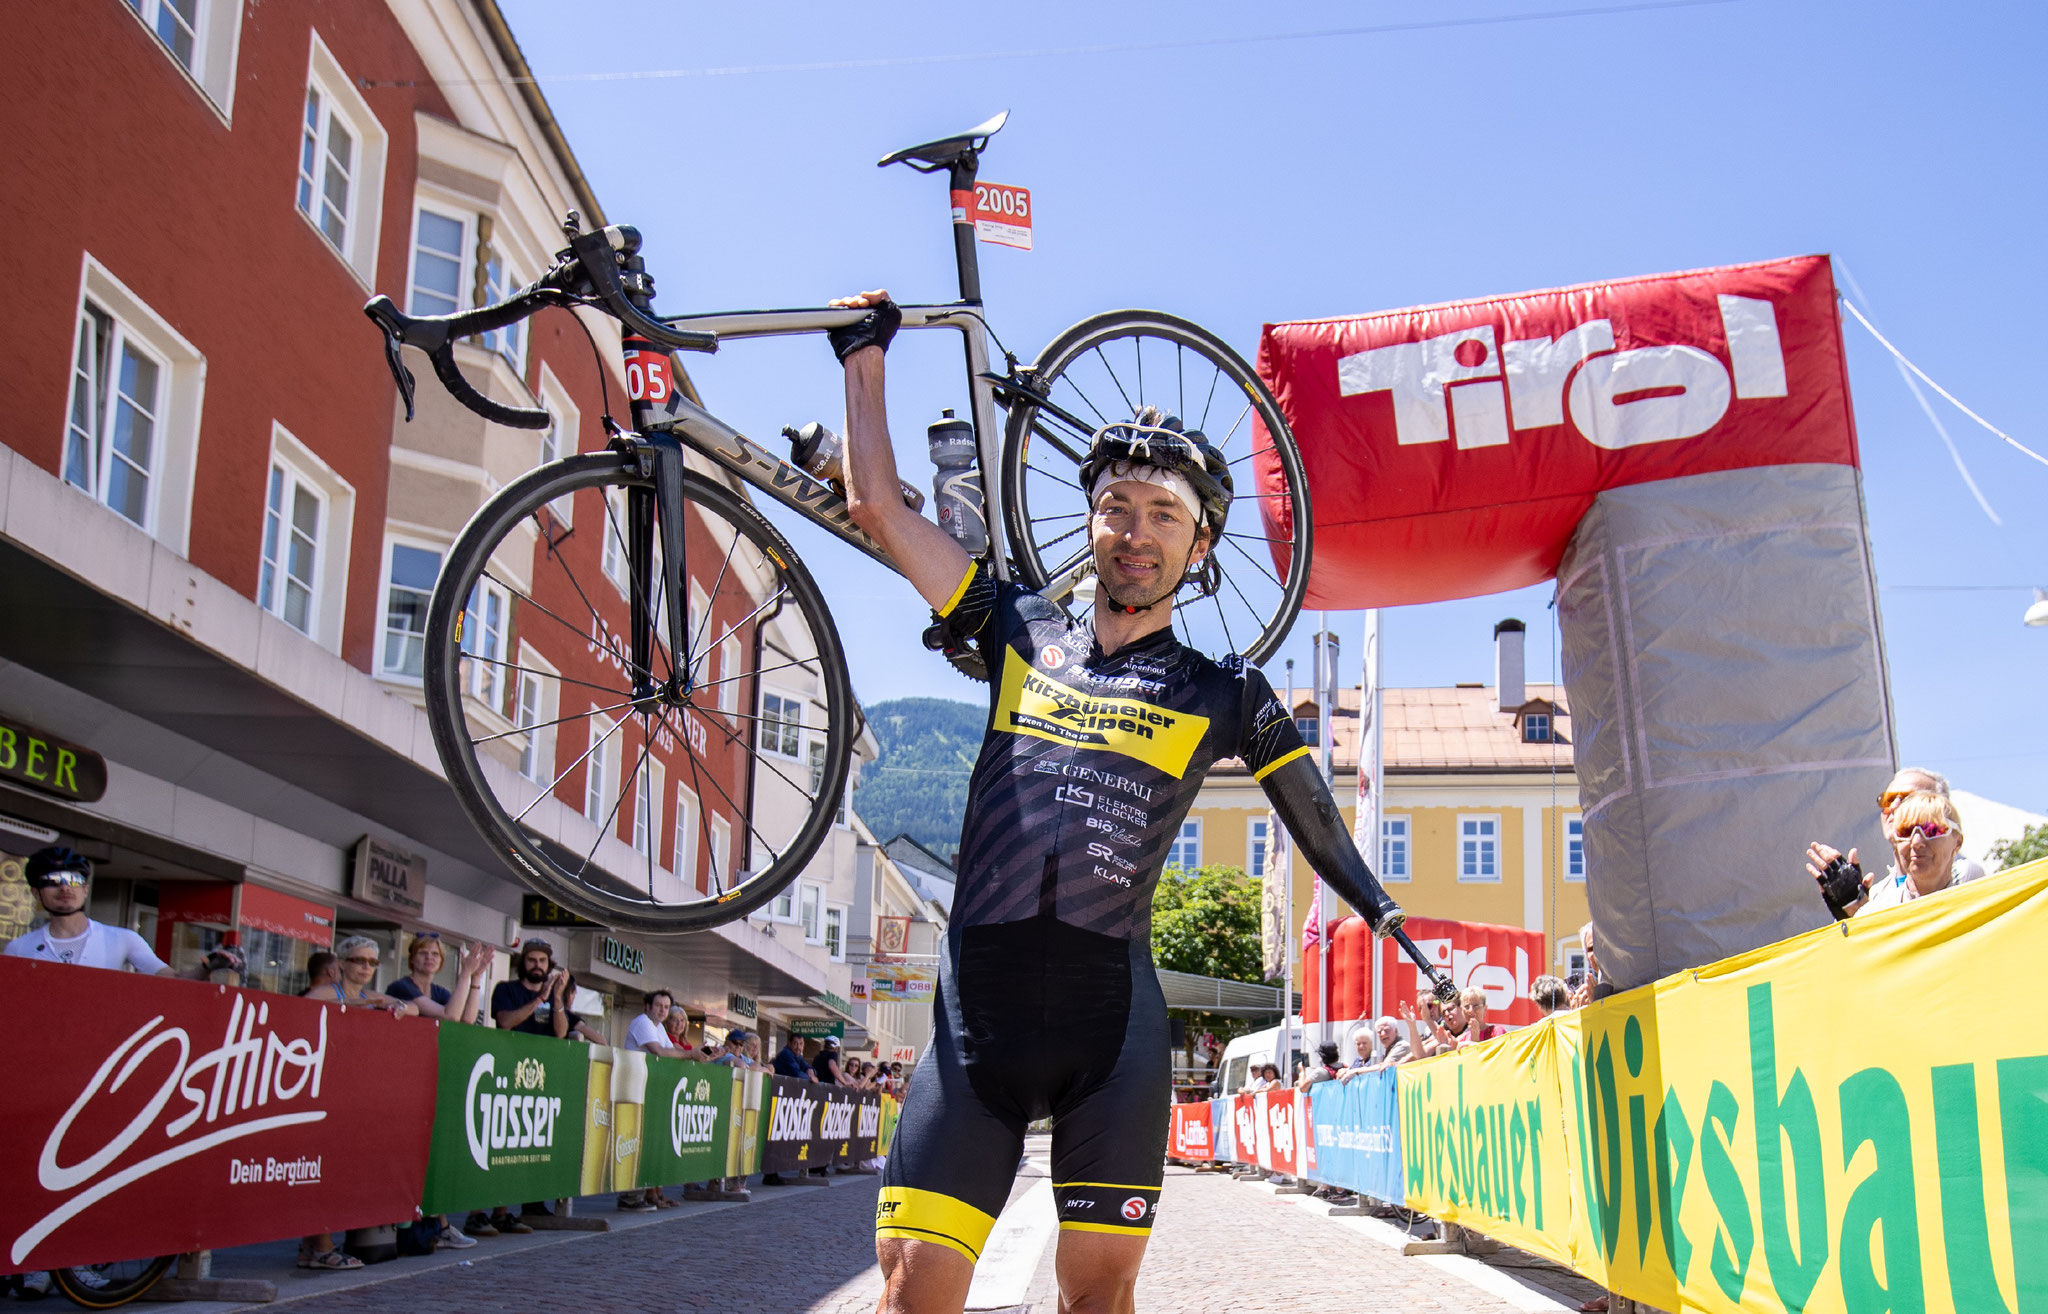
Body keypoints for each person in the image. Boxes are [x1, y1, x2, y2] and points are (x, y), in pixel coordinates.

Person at [827, 293, 1431, 1314]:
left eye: (1164, 518)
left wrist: (1384, 915)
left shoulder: (1221, 689)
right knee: (909, 1292)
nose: (1135, 535)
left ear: (1199, 550)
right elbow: (879, 511)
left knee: (1096, 1302)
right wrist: (862, 358)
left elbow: (1310, 812)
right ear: (1091, 522)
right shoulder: (1014, 623)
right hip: (974, 1025)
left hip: (1112, 1035)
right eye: (1118, 509)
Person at [4, 846, 238, 978]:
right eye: (53, 880)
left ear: (85, 889)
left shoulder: (122, 939)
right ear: (36, 893)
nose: (65, 887)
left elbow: (172, 979)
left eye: (74, 879)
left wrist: (208, 965)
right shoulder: (19, 948)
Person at [1807, 766, 1988, 919]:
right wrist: (1853, 913)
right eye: (1888, 799)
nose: (1894, 807)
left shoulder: (1964, 876)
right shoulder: (1877, 895)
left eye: (1909, 798)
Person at [619, 990, 694, 1212]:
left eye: (666, 1006)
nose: (662, 1010)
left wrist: (701, 1054)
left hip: (651, 1091)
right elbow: (660, 1051)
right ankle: (630, 1197)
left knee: (650, 1146)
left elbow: (673, 1051)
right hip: (633, 1091)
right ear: (648, 1007)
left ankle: (650, 1194)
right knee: (634, 1144)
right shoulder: (642, 1023)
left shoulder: (659, 1027)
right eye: (659, 1006)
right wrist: (692, 1055)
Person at [1858, 791, 1981, 915]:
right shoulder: (1875, 915)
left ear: (1957, 842)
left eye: (1931, 830)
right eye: (1905, 831)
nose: (1916, 842)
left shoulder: (1979, 907)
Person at [385, 934, 493, 1024]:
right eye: (423, 953)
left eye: (435, 954)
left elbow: (467, 1019)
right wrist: (465, 973)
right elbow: (451, 1016)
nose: (429, 957)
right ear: (412, 959)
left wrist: (476, 977)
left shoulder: (439, 991)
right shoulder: (402, 986)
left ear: (441, 961)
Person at [312, 936, 419, 1015]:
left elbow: (415, 1008)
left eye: (373, 962)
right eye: (359, 960)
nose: (367, 966)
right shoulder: (325, 992)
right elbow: (302, 1009)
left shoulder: (369, 996)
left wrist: (402, 1007)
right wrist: (345, 1003)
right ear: (342, 964)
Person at [491, 939, 573, 1038]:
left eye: (542, 960)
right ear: (523, 962)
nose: (537, 965)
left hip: (543, 1052)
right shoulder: (506, 989)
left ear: (548, 964)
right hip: (511, 1051)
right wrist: (540, 999)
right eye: (531, 960)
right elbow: (504, 1023)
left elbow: (561, 1033)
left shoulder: (554, 995)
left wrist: (557, 997)